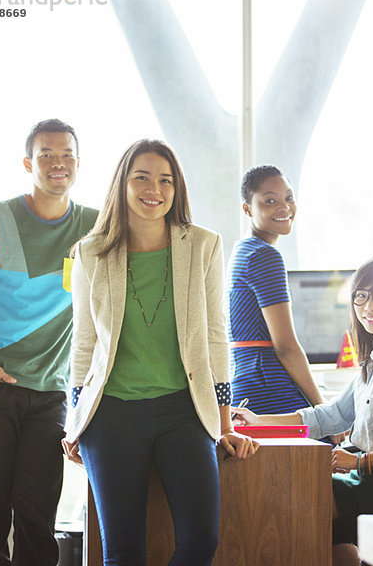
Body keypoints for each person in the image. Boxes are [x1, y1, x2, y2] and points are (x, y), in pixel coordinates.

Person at [62, 138, 259, 566]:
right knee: (123, 553)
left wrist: (223, 423)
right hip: (110, 416)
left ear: (177, 188)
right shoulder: (90, 252)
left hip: (184, 413)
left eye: (166, 180)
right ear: (123, 185)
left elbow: (214, 338)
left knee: (200, 542)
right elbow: (83, 345)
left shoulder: (203, 245)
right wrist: (74, 420)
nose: (155, 189)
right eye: (142, 177)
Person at [0, 119, 98, 566]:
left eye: (66, 154)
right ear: (28, 163)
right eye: (46, 154)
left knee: (39, 519)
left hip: (51, 393)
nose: (58, 162)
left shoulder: (93, 227)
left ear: (78, 163)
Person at [232, 255, 373, 566]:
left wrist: (361, 461)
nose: (369, 306)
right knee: (305, 515)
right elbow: (328, 416)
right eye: (361, 296)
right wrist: (259, 420)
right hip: (369, 481)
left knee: (296, 506)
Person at [226, 165, 324, 415]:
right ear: (247, 208)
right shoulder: (264, 256)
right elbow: (286, 347)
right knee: (328, 445)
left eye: (288, 198)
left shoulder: (243, 250)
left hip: (248, 384)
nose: (284, 207)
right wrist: (324, 410)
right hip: (270, 387)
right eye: (270, 200)